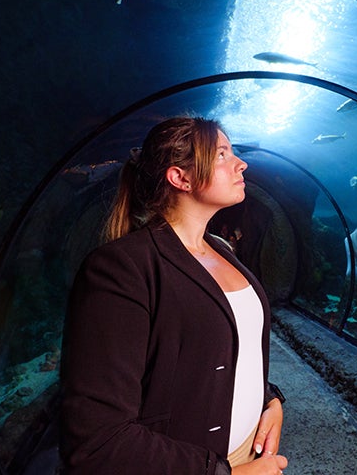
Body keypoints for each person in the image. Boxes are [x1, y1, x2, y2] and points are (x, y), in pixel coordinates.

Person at [60, 116, 288, 475]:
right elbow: (97, 441)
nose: (241, 163)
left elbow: (227, 346)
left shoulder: (221, 250)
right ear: (180, 177)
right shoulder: (122, 269)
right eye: (222, 155)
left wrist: (270, 400)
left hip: (247, 456)